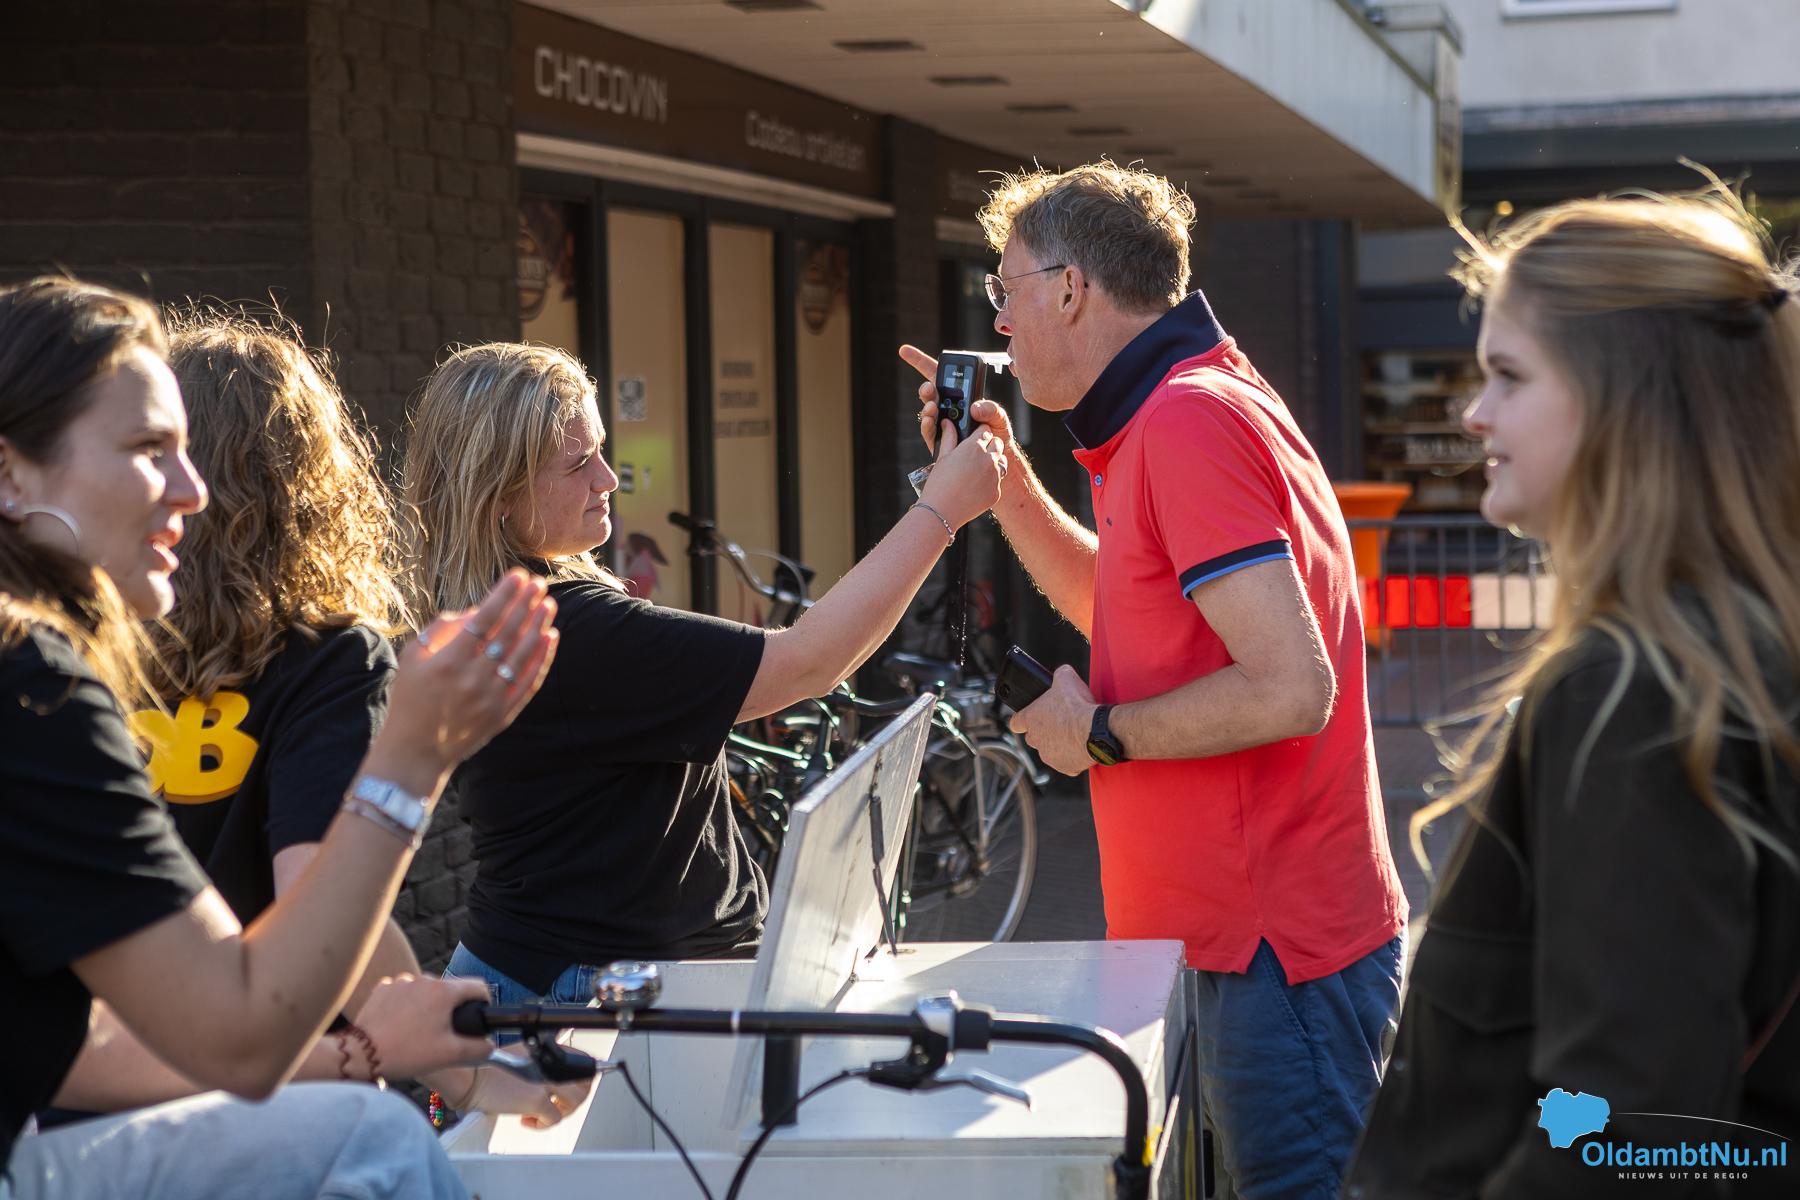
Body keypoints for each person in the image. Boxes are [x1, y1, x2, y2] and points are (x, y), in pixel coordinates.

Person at [903, 162, 1408, 1198]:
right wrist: (1005, 485)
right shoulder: (1185, 401)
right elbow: (1131, 614)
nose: (999, 322)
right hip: (1250, 946)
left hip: (1270, 954)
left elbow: (1290, 688)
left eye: (1005, 291)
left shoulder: (1183, 422)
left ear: (1071, 290)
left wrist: (1098, 732)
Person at [0, 276, 557, 1198]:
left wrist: (391, 1050)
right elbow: (244, 1029)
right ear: (11, 474)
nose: (191, 491)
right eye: (147, 450)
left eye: (190, 451)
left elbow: (74, 1050)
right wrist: (413, 760)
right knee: (372, 1140)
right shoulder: (33, 683)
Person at [1343, 188, 1800, 1197]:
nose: (1475, 414)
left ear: (1626, 400)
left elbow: (1624, 1134)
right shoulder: (1726, 658)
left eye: (1509, 375)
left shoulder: (1634, 691)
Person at [402, 342, 1006, 1005]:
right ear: (497, 495)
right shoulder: (565, 629)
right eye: (577, 464)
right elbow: (809, 662)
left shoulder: (504, 604)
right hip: (586, 990)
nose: (607, 478)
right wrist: (940, 511)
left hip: (568, 972)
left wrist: (942, 498)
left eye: (601, 449)